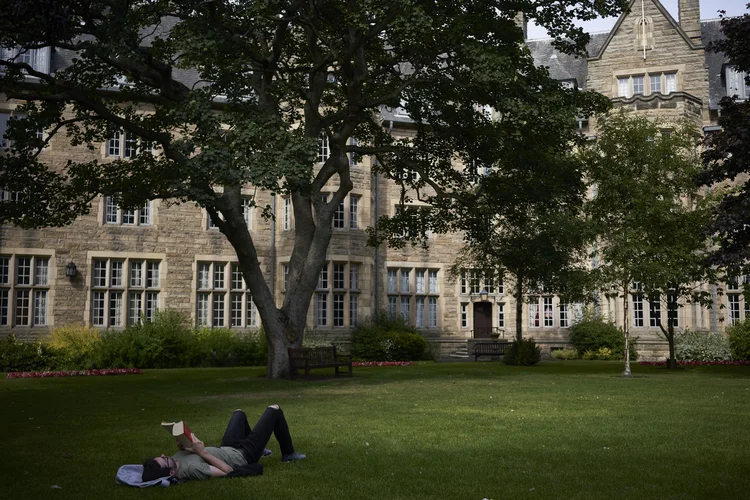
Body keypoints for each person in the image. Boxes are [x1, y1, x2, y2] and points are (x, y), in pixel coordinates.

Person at [142, 405, 306, 482]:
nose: (164, 455)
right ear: (171, 473)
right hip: (242, 455)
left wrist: (186, 447)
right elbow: (228, 471)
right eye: (164, 460)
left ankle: (261, 449)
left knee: (238, 413)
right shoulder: (192, 470)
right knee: (274, 410)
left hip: (228, 447)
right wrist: (201, 452)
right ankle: (288, 454)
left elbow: (192, 456)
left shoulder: (175, 460)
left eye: (161, 456)